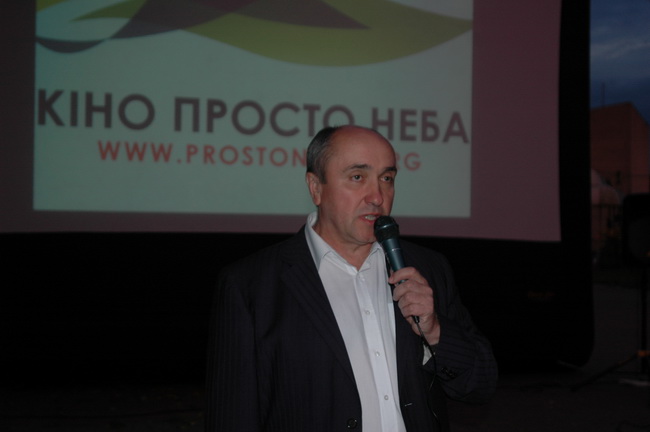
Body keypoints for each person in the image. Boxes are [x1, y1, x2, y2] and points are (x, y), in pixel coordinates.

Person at [205, 125, 497, 432]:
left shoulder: (427, 268)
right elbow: (232, 415)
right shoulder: (251, 285)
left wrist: (435, 331)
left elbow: (481, 385)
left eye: (387, 178)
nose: (377, 197)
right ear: (315, 187)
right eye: (358, 177)